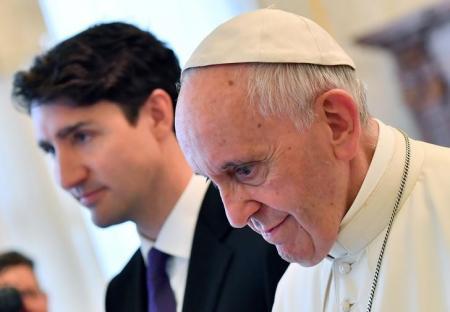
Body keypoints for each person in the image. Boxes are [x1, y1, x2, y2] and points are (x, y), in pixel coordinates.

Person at [174, 8, 450, 312]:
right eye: (212, 182)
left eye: (245, 170)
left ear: (337, 123)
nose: (235, 217)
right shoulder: (292, 292)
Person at [12, 22, 288, 312]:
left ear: (157, 115)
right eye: (50, 150)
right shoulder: (121, 294)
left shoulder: (268, 232)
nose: (66, 178)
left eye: (82, 137)